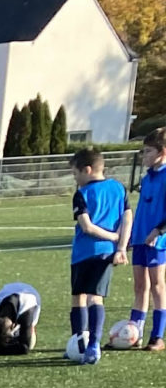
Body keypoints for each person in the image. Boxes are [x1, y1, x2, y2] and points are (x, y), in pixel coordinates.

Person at [68, 146, 127, 362]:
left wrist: (113, 238)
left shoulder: (81, 194)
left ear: (88, 170)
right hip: (107, 254)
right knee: (95, 297)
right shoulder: (118, 188)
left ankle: (85, 344)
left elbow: (87, 227)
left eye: (75, 173)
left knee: (80, 298)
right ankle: (88, 345)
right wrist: (120, 245)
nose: (75, 179)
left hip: (85, 252)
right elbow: (127, 218)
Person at [113, 129, 166, 350]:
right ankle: (136, 334)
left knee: (157, 286)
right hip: (140, 239)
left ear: (162, 153)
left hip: (158, 241)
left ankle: (158, 337)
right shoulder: (147, 177)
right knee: (139, 286)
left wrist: (158, 231)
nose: (143, 156)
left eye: (148, 151)